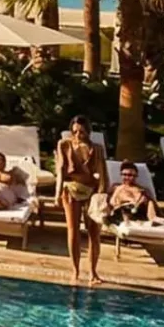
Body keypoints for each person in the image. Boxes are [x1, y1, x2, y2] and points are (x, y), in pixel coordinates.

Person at [54, 116, 107, 284]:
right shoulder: (64, 145)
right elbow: (61, 170)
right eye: (75, 131)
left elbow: (102, 172)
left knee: (94, 233)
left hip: (91, 190)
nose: (78, 134)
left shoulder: (96, 149)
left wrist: (102, 194)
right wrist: (57, 194)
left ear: (88, 132)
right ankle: (75, 270)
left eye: (82, 131)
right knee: (73, 231)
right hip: (71, 189)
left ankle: (93, 272)